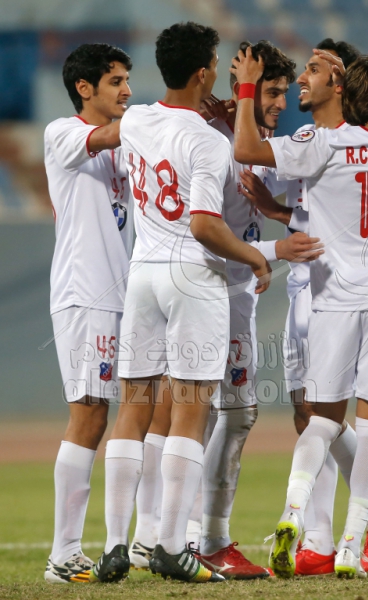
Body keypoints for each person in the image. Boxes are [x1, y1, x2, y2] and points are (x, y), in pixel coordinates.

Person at [127, 39, 322, 580]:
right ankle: (201, 538)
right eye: (271, 91)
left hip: (225, 289)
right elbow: (207, 232)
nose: (281, 102)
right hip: (211, 286)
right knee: (223, 413)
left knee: (196, 411)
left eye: (283, 92)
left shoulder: (256, 142)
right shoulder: (212, 138)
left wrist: (277, 219)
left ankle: (160, 535)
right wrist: (272, 251)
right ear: (241, 90)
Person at [231, 49, 368, 579]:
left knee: (319, 420)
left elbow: (247, 148)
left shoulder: (323, 144)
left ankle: (294, 511)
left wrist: (247, 88)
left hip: (335, 301)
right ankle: (351, 543)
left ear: (344, 89)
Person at [90, 22, 271, 585]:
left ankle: (116, 545)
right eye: (213, 63)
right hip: (192, 278)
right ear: (203, 72)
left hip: (142, 275)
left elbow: (133, 135)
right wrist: (256, 257)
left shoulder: (137, 119)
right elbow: (204, 225)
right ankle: (171, 545)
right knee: (191, 411)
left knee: (133, 408)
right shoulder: (209, 143)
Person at [43, 43, 133, 583]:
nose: (127, 90)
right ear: (84, 88)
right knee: (89, 414)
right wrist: (165, 116)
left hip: (120, 294)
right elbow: (106, 137)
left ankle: (145, 538)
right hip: (85, 292)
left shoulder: (123, 144)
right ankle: (63, 554)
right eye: (116, 81)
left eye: (127, 80)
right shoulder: (62, 133)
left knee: (124, 411)